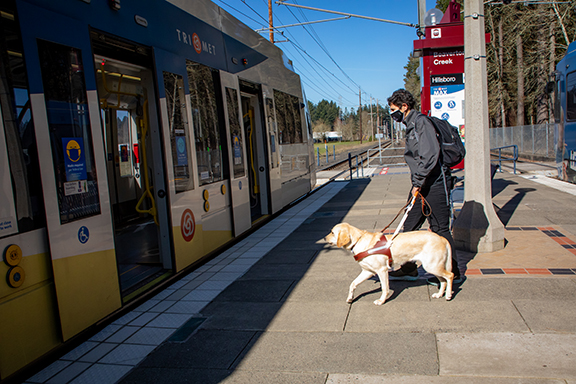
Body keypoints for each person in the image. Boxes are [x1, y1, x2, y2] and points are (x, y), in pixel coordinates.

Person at [386, 89, 462, 285]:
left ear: (405, 107)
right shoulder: (412, 124)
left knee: (440, 230)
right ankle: (409, 269)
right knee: (409, 228)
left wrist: (418, 182)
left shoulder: (421, 123)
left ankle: (454, 273)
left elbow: (430, 156)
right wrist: (418, 183)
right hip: (422, 184)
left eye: (394, 110)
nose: (392, 114)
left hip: (435, 183)